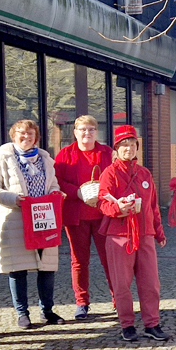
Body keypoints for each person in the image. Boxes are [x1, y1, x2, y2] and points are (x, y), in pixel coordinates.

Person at [0, 119, 64, 330]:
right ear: (13, 135)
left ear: (36, 137)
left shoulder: (45, 159)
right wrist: (14, 199)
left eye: (30, 133)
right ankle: (22, 313)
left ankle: (47, 311)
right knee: (17, 269)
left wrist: (55, 194)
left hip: (43, 219)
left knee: (47, 267)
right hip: (16, 219)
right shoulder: (2, 159)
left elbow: (53, 184)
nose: (26, 137)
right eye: (21, 133)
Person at [98, 125, 168, 342]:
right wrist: (118, 208)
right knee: (121, 284)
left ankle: (152, 323)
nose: (129, 149)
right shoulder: (109, 173)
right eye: (124, 145)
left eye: (132, 144)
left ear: (137, 147)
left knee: (150, 283)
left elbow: (153, 207)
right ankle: (127, 324)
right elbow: (102, 202)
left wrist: (159, 232)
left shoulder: (144, 173)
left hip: (145, 234)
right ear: (116, 148)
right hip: (119, 236)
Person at [54, 115, 115, 320]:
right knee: (79, 261)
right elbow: (57, 180)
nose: (86, 133)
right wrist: (76, 192)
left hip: (103, 214)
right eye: (82, 129)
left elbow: (116, 176)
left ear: (96, 132)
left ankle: (118, 299)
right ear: (75, 132)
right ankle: (82, 302)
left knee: (109, 259)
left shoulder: (107, 153)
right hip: (75, 215)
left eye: (91, 129)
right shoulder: (65, 154)